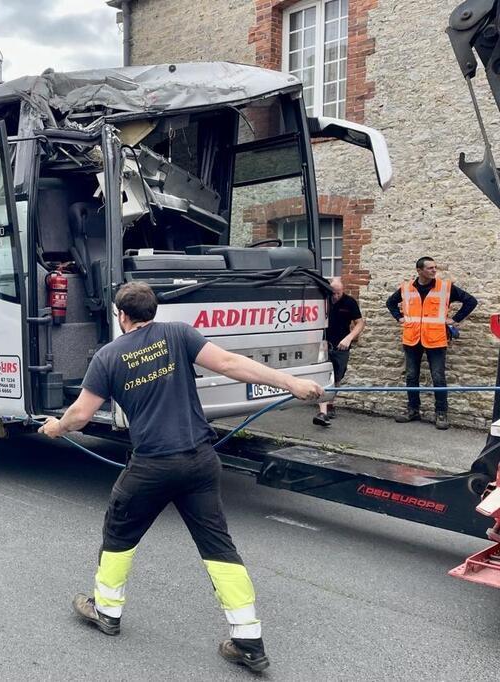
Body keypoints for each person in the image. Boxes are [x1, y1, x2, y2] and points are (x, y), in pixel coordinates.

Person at [39, 281, 323, 673]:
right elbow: (230, 364)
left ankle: (106, 611)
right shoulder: (178, 334)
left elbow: (81, 416)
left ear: (121, 316)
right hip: (200, 463)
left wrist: (56, 428)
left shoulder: (107, 357)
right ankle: (249, 641)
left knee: (119, 535)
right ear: (153, 311)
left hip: (152, 467)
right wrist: (291, 383)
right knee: (219, 548)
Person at [386, 256, 477, 430]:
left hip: (436, 339)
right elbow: (390, 303)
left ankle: (441, 413)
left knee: (438, 377)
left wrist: (455, 319)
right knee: (412, 376)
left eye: (435, 268)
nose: (434, 271)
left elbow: (471, 301)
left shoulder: (445, 287)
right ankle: (413, 410)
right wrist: (398, 317)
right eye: (430, 268)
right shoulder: (406, 288)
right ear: (419, 271)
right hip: (412, 338)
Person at [313, 277, 365, 427]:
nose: (335, 296)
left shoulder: (349, 302)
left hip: (341, 346)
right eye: (333, 293)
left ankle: (329, 404)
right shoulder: (323, 301)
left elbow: (360, 323)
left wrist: (349, 338)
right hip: (323, 344)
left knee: (337, 377)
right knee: (324, 376)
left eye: (338, 293)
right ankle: (322, 412)